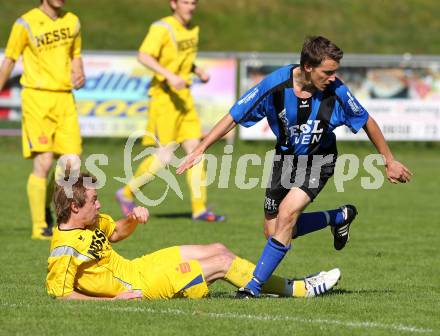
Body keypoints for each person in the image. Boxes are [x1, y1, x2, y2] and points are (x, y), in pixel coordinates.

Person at [177, 36, 413, 298]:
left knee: (287, 215)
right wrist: (200, 148)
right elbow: (234, 114)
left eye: (336, 71)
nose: (334, 77)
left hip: (319, 160)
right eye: (328, 72)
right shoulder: (275, 86)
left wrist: (389, 160)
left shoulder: (336, 91)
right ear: (308, 67)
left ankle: (252, 288)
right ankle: (337, 217)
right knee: (273, 230)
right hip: (285, 161)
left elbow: (366, 120)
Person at [47, 172, 341, 300]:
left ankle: (284, 286)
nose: (99, 204)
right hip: (141, 285)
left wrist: (133, 219)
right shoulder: (64, 247)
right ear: (74, 206)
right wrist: (113, 301)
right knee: (223, 262)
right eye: (94, 200)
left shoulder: (92, 221)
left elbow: (115, 233)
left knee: (217, 246)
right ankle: (301, 289)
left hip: (140, 267)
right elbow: (62, 295)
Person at [115, 0, 224, 222]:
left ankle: (199, 209)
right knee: (164, 156)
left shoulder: (192, 29)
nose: (191, 7)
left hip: (184, 99)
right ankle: (126, 193)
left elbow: (182, 59)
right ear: (173, 4)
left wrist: (196, 69)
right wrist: (169, 75)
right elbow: (143, 56)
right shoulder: (162, 27)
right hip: (164, 99)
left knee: (196, 151)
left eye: (194, 3)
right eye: (185, 2)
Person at [0, 0, 85, 239]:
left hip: (65, 99)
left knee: (71, 164)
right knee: (44, 162)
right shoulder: (25, 23)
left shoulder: (73, 21)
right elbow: (9, 59)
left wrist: (80, 72)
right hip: (37, 99)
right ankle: (39, 226)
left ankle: (48, 205)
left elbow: (75, 54)